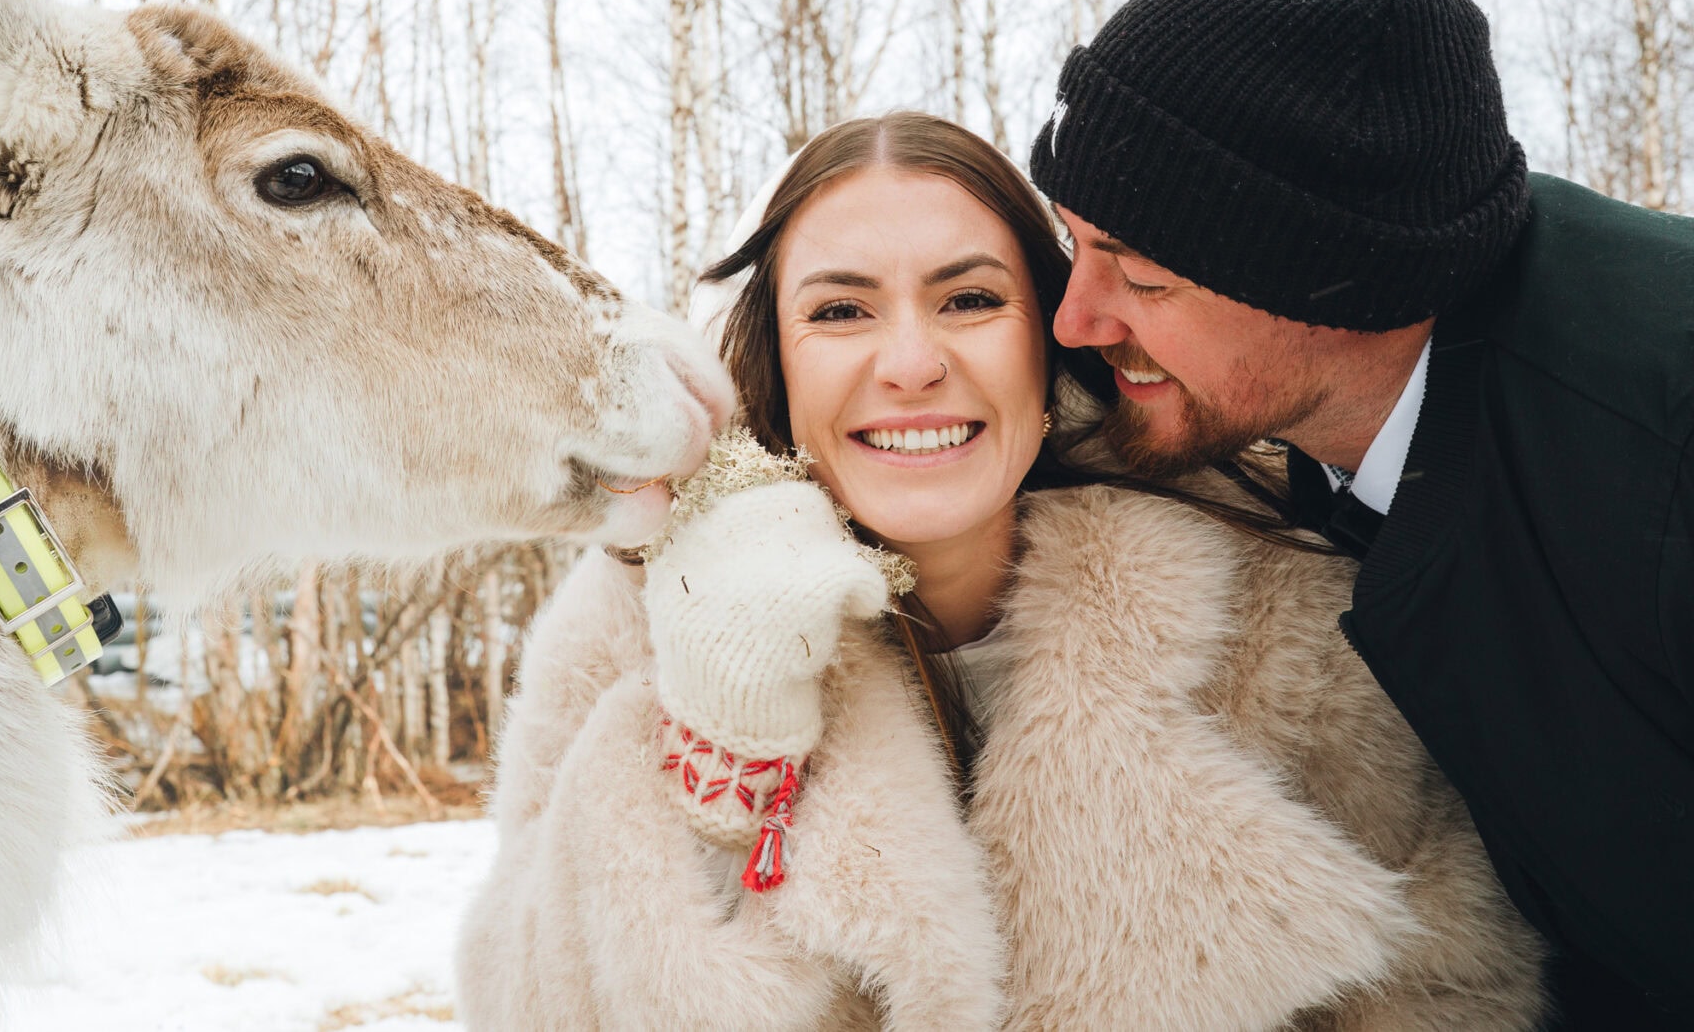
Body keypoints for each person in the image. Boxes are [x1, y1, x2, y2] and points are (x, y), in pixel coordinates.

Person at [454, 112, 1543, 1030]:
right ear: (776, 360)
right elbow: (526, 996)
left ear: (1048, 332)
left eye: (968, 299)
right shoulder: (632, 614)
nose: (912, 362)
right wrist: (721, 740)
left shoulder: (1279, 605)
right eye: (839, 311)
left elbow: (1451, 990)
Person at [1028, 0, 1694, 1028]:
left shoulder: (1651, 450)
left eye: (1139, 277)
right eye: (1070, 245)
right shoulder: (1321, 444)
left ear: (1331, 284)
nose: (1074, 320)